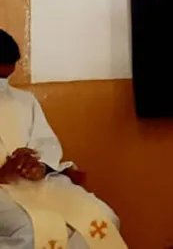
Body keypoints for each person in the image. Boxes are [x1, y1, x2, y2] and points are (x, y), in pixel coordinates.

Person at [0, 29, 126, 248]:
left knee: (105, 217)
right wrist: (3, 172)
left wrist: (39, 165)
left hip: (38, 184)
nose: (3, 85)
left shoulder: (25, 100)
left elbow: (45, 143)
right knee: (34, 231)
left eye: (6, 77)